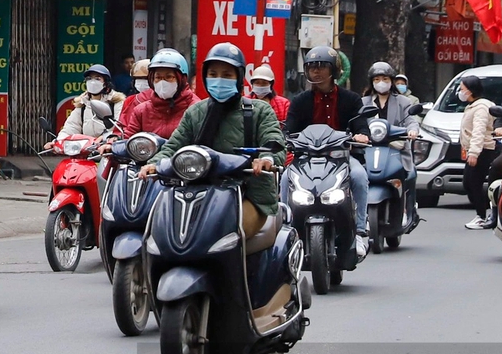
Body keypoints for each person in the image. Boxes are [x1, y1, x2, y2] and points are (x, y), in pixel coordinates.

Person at [146, 43, 285, 218]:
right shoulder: (196, 112)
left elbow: (274, 141)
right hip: (196, 192)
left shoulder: (260, 110)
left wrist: (266, 159)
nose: (219, 80)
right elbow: (173, 146)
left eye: (227, 75)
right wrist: (154, 163)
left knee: (225, 230)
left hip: (249, 196)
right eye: (213, 74)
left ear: (239, 77)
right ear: (205, 77)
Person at [284, 44, 369, 251]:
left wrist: (361, 135)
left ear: (334, 71)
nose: (316, 71)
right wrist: (285, 138)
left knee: (359, 176)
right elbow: (289, 129)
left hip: (341, 157)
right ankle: (285, 227)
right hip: (306, 159)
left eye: (322, 66)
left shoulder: (351, 99)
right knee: (286, 178)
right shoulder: (300, 101)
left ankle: (359, 230)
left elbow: (361, 126)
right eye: (312, 66)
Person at [361, 60, 424, 229]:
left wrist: (412, 130)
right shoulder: (364, 102)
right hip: (369, 149)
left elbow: (411, 120)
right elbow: (355, 122)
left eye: (385, 79)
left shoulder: (403, 102)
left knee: (408, 176)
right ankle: (359, 214)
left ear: (391, 81)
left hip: (395, 148)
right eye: (377, 79)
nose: (381, 83)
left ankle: (405, 209)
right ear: (372, 82)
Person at [117, 47, 197, 138]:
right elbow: (128, 139)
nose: (162, 82)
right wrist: (112, 145)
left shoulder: (196, 110)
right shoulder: (141, 110)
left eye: (169, 77)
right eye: (158, 78)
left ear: (182, 79)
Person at [457, 76, 499, 230]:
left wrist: (474, 153)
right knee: (469, 183)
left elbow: (479, 131)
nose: (460, 92)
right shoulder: (474, 106)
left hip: (484, 150)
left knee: (473, 183)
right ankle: (484, 213)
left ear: (471, 90)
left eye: (462, 89)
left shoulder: (481, 107)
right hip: (475, 149)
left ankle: (482, 215)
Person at [55, 64, 114, 134]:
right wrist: (58, 141)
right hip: (88, 144)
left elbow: (119, 129)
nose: (92, 82)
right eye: (89, 79)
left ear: (105, 83)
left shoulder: (115, 103)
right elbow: (70, 128)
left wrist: (107, 136)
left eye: (97, 79)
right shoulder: (83, 105)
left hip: (109, 143)